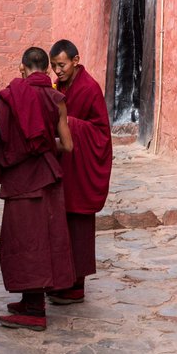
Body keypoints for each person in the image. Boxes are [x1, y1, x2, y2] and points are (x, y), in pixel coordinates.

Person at [0, 46, 74, 332]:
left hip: (21, 180)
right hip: (48, 177)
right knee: (42, 239)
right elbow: (67, 145)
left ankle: (35, 312)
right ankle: (30, 300)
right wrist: (41, 146)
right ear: (47, 68)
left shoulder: (11, 96)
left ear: (22, 68)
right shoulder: (57, 99)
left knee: (24, 241)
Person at [48, 39, 112, 304]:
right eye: (53, 66)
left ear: (75, 61)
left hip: (81, 165)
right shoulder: (60, 86)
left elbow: (101, 134)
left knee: (78, 227)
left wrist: (69, 124)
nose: (57, 71)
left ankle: (76, 286)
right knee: (61, 226)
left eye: (61, 65)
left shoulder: (90, 88)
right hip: (66, 167)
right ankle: (62, 280)